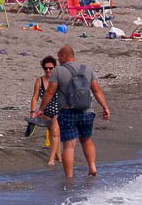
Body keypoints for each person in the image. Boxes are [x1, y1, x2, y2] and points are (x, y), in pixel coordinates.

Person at [36, 45, 112, 179]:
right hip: (86, 111)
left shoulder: (58, 71)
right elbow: (97, 90)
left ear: (64, 56)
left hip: (67, 112)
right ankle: (93, 167)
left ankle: (70, 176)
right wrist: (105, 107)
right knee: (87, 139)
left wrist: (41, 109)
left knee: (69, 146)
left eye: (59, 57)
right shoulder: (87, 69)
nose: (58, 60)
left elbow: (50, 92)